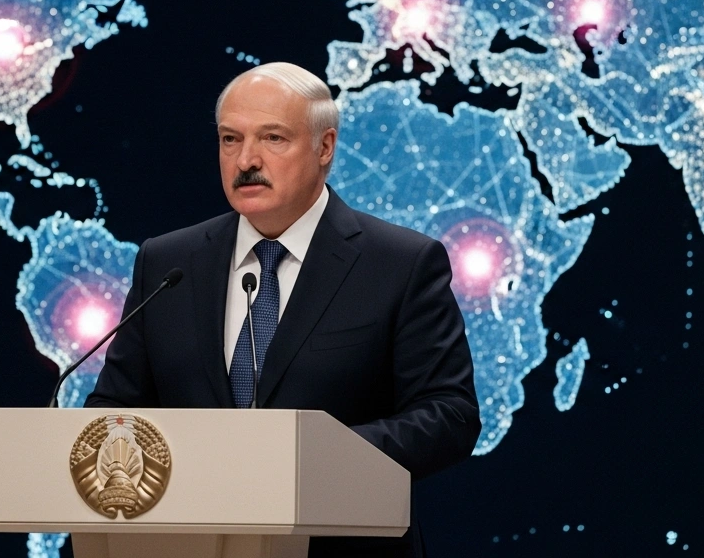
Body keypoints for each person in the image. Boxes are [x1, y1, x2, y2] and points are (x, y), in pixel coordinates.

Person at [86, 62, 480, 557]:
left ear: (324, 147)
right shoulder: (167, 263)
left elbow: (449, 415)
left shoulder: (400, 264)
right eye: (231, 140)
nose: (246, 159)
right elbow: (113, 411)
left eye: (273, 138)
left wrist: (306, 461)